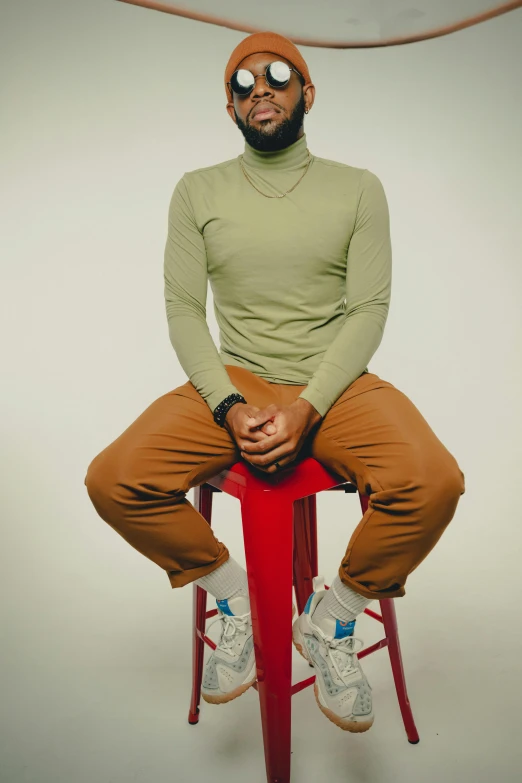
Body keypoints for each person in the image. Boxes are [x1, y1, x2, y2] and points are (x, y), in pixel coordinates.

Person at [85, 31, 465, 734]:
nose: (260, 87)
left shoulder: (358, 187)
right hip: (236, 378)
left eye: (278, 75)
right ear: (230, 108)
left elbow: (369, 308)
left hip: (337, 382)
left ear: (307, 93)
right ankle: (239, 601)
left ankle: (331, 618)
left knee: (434, 480)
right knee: (114, 478)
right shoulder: (197, 190)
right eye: (242, 82)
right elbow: (181, 310)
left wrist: (309, 403)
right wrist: (228, 404)